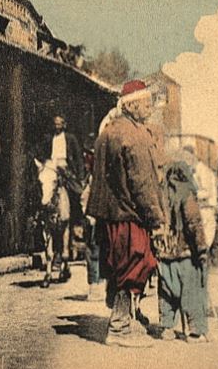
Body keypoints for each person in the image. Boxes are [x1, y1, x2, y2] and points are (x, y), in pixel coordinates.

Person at [86, 79, 166, 348]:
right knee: (134, 267)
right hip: (129, 215)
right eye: (146, 103)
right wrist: (156, 219)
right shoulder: (135, 135)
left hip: (109, 215)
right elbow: (142, 184)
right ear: (131, 106)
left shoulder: (107, 132)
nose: (150, 108)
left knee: (118, 267)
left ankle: (128, 319)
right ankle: (119, 328)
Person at [153, 160, 209, 343]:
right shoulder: (186, 192)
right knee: (191, 291)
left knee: (167, 292)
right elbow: (194, 223)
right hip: (185, 254)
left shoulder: (161, 194)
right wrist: (201, 248)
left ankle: (167, 327)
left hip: (165, 253)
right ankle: (194, 331)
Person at [34, 114, 85, 272]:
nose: (57, 126)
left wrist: (79, 176)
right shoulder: (49, 139)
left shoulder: (70, 139)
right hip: (51, 167)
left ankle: (76, 221)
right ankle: (39, 215)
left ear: (64, 125)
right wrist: (44, 164)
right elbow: (41, 153)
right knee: (43, 187)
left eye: (59, 124)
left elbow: (78, 158)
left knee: (75, 192)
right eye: (55, 124)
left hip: (65, 168)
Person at [80, 134, 104, 301]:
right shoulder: (90, 176)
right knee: (92, 248)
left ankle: (97, 284)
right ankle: (95, 283)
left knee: (95, 249)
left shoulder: (98, 176)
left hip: (97, 214)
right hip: (91, 214)